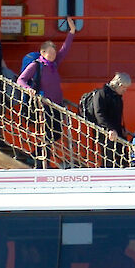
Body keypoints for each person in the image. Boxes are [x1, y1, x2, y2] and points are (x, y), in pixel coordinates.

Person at [17, 26, 79, 165]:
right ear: (42, 53)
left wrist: (72, 32)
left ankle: (40, 157)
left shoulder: (54, 64)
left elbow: (65, 50)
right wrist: (29, 89)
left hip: (56, 106)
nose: (52, 56)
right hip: (44, 105)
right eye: (50, 54)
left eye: (54, 54)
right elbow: (21, 79)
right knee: (48, 133)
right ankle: (40, 159)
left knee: (55, 134)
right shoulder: (36, 65)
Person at [80, 72, 130, 165]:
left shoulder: (118, 97)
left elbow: (118, 116)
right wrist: (109, 129)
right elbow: (99, 114)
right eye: (124, 87)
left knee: (123, 159)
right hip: (104, 132)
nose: (125, 90)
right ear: (118, 85)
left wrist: (121, 128)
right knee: (109, 159)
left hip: (116, 132)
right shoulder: (101, 94)